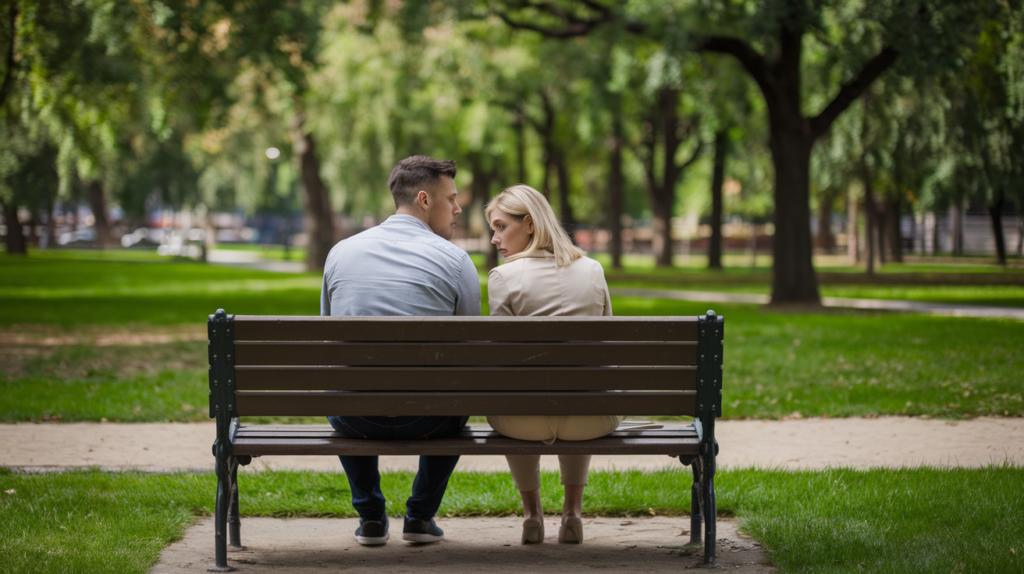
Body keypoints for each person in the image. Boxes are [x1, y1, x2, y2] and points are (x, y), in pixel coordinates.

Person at [321, 155, 481, 546]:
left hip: (355, 418)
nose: (459, 209)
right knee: (456, 395)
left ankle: (372, 517)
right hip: (428, 419)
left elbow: (330, 339)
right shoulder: (457, 261)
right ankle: (420, 517)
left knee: (346, 386)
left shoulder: (340, 253)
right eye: (452, 199)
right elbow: (470, 350)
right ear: (424, 201)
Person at [484, 184, 623, 545]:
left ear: (528, 223)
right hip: (593, 419)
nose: (495, 239)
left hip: (521, 422)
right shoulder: (592, 270)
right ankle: (573, 514)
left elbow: (501, 359)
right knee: (583, 388)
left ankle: (532, 515)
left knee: (515, 396)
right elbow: (606, 348)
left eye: (500, 227)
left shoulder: (502, 277)